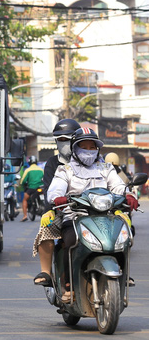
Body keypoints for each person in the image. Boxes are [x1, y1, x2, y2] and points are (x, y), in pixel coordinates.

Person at [45, 127, 137, 301]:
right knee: (71, 240)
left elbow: (117, 186)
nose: (88, 151)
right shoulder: (65, 170)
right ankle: (68, 287)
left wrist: (128, 195)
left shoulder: (106, 168)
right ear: (75, 148)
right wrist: (57, 198)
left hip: (106, 216)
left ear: (98, 149)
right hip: (75, 216)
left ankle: (123, 275)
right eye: (84, 147)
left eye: (92, 147)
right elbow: (55, 189)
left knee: (126, 236)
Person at [33, 118, 80, 285]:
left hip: (91, 210)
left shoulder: (94, 160)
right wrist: (49, 209)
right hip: (61, 210)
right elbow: (49, 191)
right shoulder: (53, 163)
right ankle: (46, 271)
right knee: (46, 228)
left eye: (66, 140)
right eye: (59, 140)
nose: (63, 144)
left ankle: (121, 271)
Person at [20, 156, 44, 221]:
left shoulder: (28, 170)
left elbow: (23, 181)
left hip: (31, 188)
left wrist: (23, 185)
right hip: (41, 188)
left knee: (25, 200)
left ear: (29, 162)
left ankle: (25, 216)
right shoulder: (41, 170)